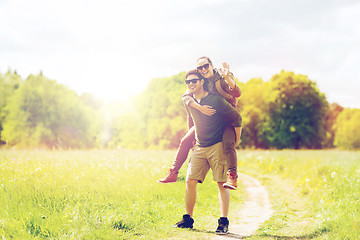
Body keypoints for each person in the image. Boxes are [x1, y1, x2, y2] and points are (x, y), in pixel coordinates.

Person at [173, 69, 242, 234]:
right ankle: (188, 219)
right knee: (190, 181)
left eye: (194, 81)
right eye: (188, 82)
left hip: (217, 145)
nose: (191, 84)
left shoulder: (216, 100)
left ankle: (223, 221)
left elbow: (237, 117)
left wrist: (236, 139)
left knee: (221, 183)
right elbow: (191, 119)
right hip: (199, 146)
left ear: (202, 81)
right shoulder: (189, 100)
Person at [158, 57, 242, 190]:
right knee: (185, 141)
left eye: (205, 66)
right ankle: (173, 173)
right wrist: (199, 108)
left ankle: (232, 177)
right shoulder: (199, 82)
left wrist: (227, 76)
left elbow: (237, 93)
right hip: (208, 118)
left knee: (228, 144)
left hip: (226, 118)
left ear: (211, 65)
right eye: (200, 68)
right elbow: (186, 97)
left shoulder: (221, 77)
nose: (203, 69)